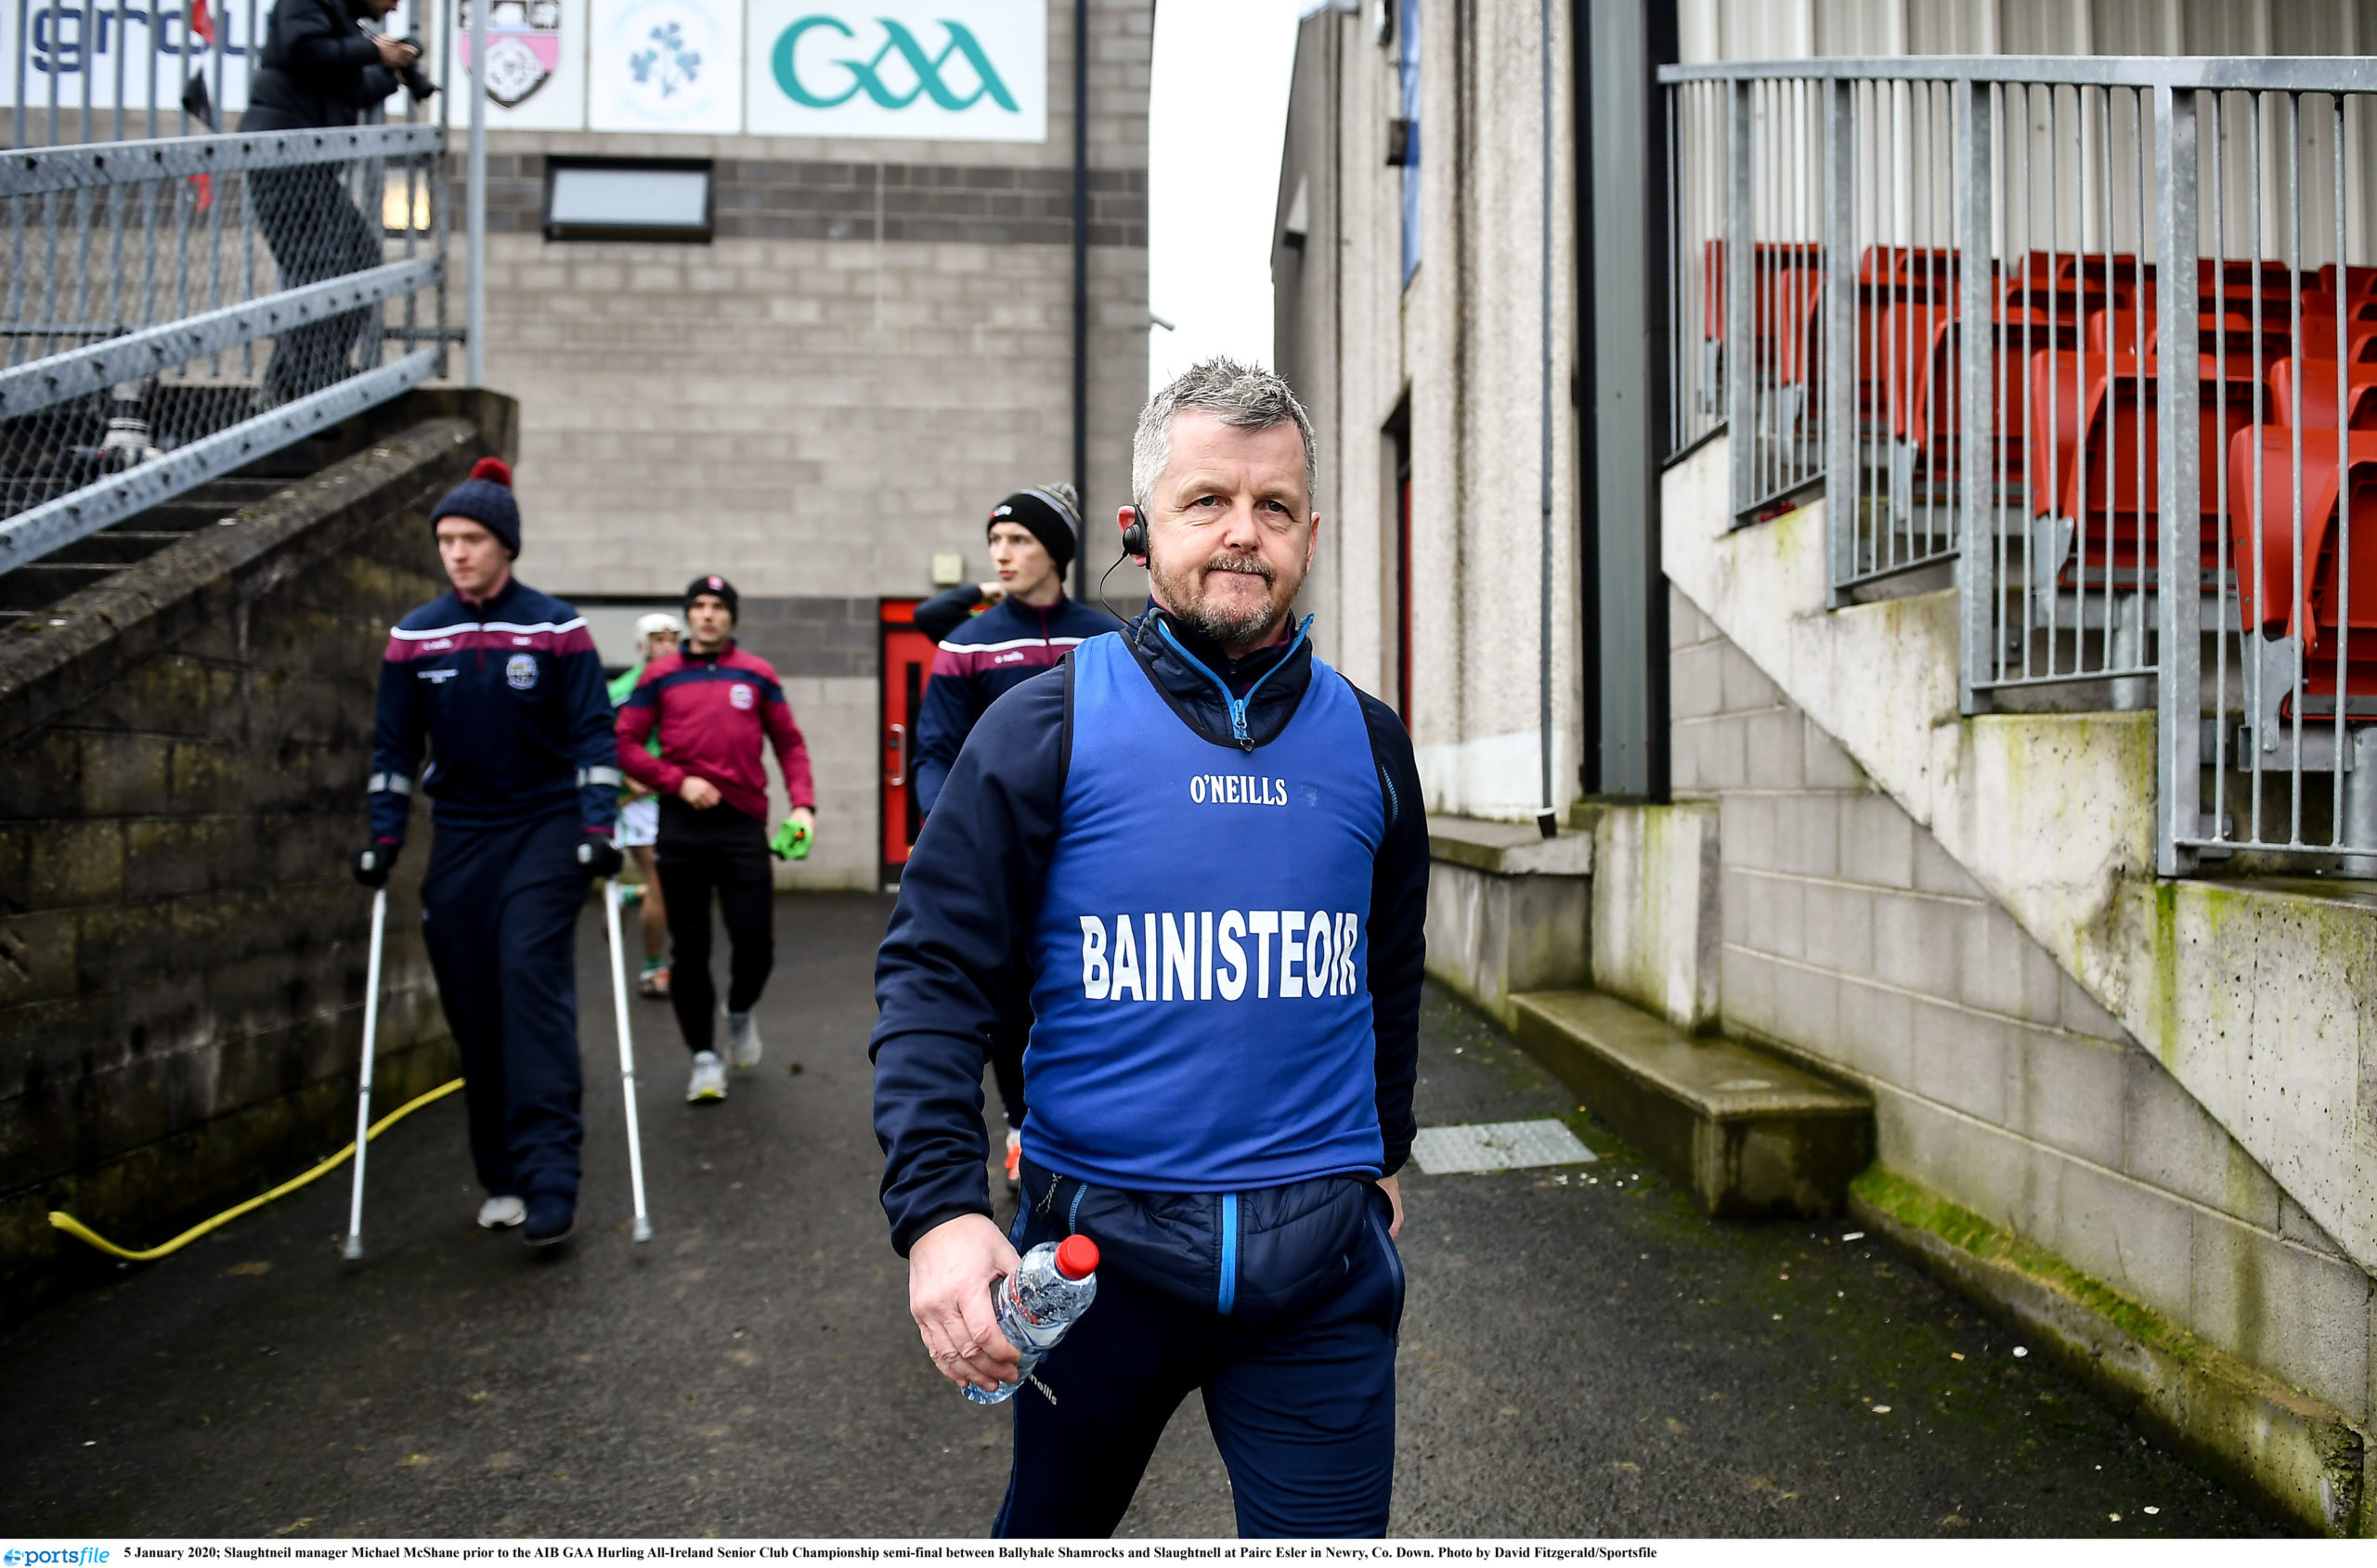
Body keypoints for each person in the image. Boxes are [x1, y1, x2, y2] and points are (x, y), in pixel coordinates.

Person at [871, 358, 1429, 1537]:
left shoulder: (1372, 743)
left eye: (1273, 506)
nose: (1242, 533)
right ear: (1139, 527)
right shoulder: (1044, 724)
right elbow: (934, 969)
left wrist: (1383, 1159)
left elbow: (1388, 967)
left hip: (1318, 1282)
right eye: (1205, 502)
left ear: (1312, 532)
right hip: (1095, 1270)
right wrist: (936, 1212)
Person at [355, 456, 623, 1248]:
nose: (457, 552)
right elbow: (394, 746)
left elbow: (592, 735)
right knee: (474, 1007)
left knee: (527, 987)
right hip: (463, 835)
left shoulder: (555, 627)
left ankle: (550, 1179)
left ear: (505, 543)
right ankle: (501, 1174)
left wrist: (598, 826)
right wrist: (382, 837)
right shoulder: (415, 634)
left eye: (472, 537)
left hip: (543, 831)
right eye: (446, 539)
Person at [908, 483, 1120, 1189]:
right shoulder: (965, 643)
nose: (1002, 553)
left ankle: (1100, 1114)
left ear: (1055, 551)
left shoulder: (1107, 635)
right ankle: (1023, 1126)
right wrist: (942, 823)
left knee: (1097, 977)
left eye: (1020, 540)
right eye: (995, 541)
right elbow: (934, 750)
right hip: (1002, 851)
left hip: (1091, 847)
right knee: (1009, 1000)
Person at [616, 576, 817, 1105]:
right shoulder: (660, 676)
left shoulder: (756, 674)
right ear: (688, 615)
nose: (707, 615)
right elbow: (626, 743)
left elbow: (790, 743)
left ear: (731, 616)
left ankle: (739, 1011)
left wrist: (803, 805)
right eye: (698, 606)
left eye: (717, 607)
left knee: (756, 943)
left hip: (741, 827)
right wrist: (676, 781)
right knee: (692, 949)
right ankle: (704, 1057)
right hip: (681, 828)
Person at [241, 0, 434, 404]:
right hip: (282, 155)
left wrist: (390, 72)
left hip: (309, 163)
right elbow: (303, 51)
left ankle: (304, 379)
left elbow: (345, 87)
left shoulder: (343, 20)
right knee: (318, 269)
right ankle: (304, 385)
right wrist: (374, 53)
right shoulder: (309, 4)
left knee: (358, 260)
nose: (395, 5)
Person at [608, 612, 682, 999]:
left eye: (673, 638)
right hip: (640, 803)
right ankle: (653, 970)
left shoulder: (684, 683)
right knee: (662, 884)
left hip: (676, 797)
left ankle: (626, 895)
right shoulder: (624, 690)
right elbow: (600, 741)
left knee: (676, 882)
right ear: (642, 645)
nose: (667, 645)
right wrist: (626, 779)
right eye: (658, 639)